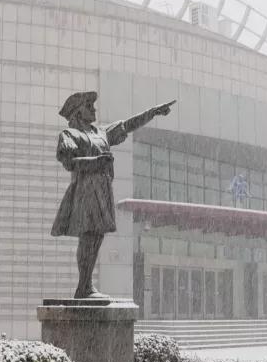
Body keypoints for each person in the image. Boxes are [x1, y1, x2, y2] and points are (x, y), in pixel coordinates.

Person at [51, 91, 175, 299]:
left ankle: (85, 286)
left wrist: (152, 113)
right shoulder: (69, 134)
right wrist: (95, 162)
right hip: (85, 190)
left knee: (96, 236)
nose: (94, 109)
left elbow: (127, 125)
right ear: (78, 112)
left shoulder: (101, 133)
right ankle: (84, 287)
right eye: (89, 106)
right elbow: (69, 162)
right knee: (88, 236)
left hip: (102, 190)